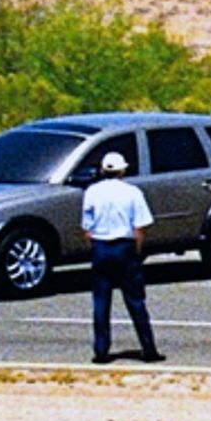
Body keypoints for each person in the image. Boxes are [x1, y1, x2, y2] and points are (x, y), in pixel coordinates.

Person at [80, 150, 164, 365]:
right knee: (135, 300)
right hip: (124, 247)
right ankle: (148, 348)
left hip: (101, 247)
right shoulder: (132, 192)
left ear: (102, 170)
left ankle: (101, 350)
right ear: (123, 170)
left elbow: (87, 229)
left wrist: (95, 247)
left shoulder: (92, 192)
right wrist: (137, 251)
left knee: (101, 301)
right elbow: (139, 227)